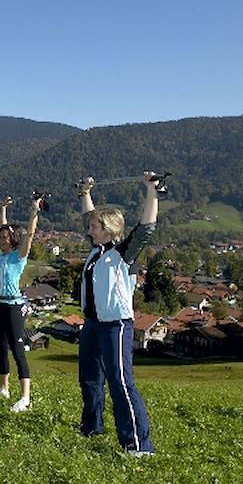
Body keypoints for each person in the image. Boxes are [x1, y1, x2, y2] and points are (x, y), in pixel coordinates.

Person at [77, 172, 159, 456]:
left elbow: (146, 227)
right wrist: (85, 191)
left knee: (120, 382)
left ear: (109, 229)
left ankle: (137, 445)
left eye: (94, 227)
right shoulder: (96, 251)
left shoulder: (123, 253)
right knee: (89, 379)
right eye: (90, 227)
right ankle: (91, 428)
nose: (89, 230)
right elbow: (87, 215)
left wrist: (152, 190)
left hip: (116, 326)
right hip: (92, 325)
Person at [0, 195, 43, 412]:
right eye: (0, 237)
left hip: (13, 307)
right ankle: (3, 388)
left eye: (6, 237)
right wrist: (3, 209)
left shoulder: (18, 256)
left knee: (17, 349)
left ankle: (26, 397)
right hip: (0, 305)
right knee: (1, 349)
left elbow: (29, 235)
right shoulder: (3, 257)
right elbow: (3, 226)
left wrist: (34, 210)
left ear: (13, 240)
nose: (2, 239)